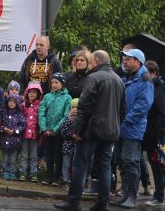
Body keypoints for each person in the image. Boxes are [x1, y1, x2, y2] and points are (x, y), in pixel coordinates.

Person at [54, 50, 125, 211]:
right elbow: (122, 110)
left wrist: (77, 131)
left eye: (91, 61)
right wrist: (115, 126)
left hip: (91, 131)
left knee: (80, 165)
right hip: (110, 131)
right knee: (104, 166)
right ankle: (103, 203)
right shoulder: (119, 80)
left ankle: (73, 202)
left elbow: (84, 106)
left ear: (97, 62)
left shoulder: (93, 78)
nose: (90, 64)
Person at [110, 48, 154, 209]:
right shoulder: (126, 76)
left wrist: (125, 121)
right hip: (120, 126)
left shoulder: (145, 79)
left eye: (128, 59)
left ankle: (132, 197)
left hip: (132, 127)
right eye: (125, 58)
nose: (124, 61)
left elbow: (143, 105)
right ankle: (126, 195)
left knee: (131, 161)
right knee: (121, 161)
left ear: (138, 61)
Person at [141, 60, 165, 206]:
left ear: (154, 73)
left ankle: (159, 196)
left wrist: (158, 136)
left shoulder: (160, 88)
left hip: (155, 134)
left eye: (146, 73)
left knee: (157, 165)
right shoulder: (148, 86)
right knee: (144, 161)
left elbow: (162, 114)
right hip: (145, 131)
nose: (143, 76)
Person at [39, 72, 72, 186]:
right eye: (52, 82)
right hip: (47, 132)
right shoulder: (47, 96)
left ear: (62, 84)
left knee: (58, 155)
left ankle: (57, 176)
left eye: (56, 82)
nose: (54, 85)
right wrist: (44, 128)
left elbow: (66, 115)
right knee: (48, 155)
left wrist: (55, 130)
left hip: (58, 133)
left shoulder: (67, 98)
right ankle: (49, 176)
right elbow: (41, 112)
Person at [19, 81, 43, 182]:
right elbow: (20, 118)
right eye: (30, 92)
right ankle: (23, 172)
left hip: (35, 134)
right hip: (24, 133)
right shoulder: (24, 105)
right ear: (26, 93)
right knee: (24, 154)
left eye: (34, 92)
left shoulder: (40, 106)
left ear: (38, 94)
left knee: (34, 155)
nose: (32, 94)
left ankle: (33, 173)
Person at [0, 93, 26, 181]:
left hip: (15, 141)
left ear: (17, 103)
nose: (11, 103)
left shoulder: (20, 114)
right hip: (4, 139)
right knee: (5, 157)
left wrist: (14, 131)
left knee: (13, 158)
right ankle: (5, 171)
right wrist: (3, 129)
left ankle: (12, 172)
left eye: (14, 102)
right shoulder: (4, 113)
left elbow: (23, 126)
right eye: (10, 101)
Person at [60, 98, 79, 187]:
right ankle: (66, 179)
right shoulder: (67, 119)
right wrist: (71, 135)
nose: (75, 109)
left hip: (77, 146)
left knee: (75, 164)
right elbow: (63, 131)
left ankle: (74, 181)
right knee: (66, 163)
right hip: (67, 145)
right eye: (73, 107)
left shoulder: (80, 120)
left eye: (77, 107)